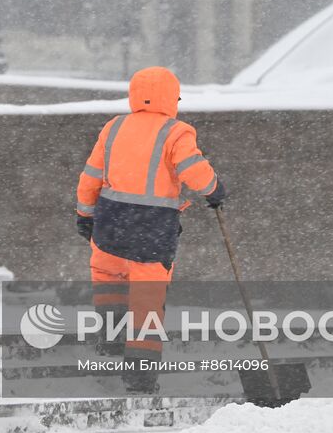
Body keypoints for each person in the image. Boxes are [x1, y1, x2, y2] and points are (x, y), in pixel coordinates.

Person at [75, 66, 226, 393]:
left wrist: (85, 214)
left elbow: (90, 176)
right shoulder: (176, 131)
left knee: (109, 284)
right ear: (172, 97)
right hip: (151, 231)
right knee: (146, 302)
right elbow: (192, 169)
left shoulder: (113, 128)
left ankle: (110, 348)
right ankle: (140, 378)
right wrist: (214, 191)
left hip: (109, 225)